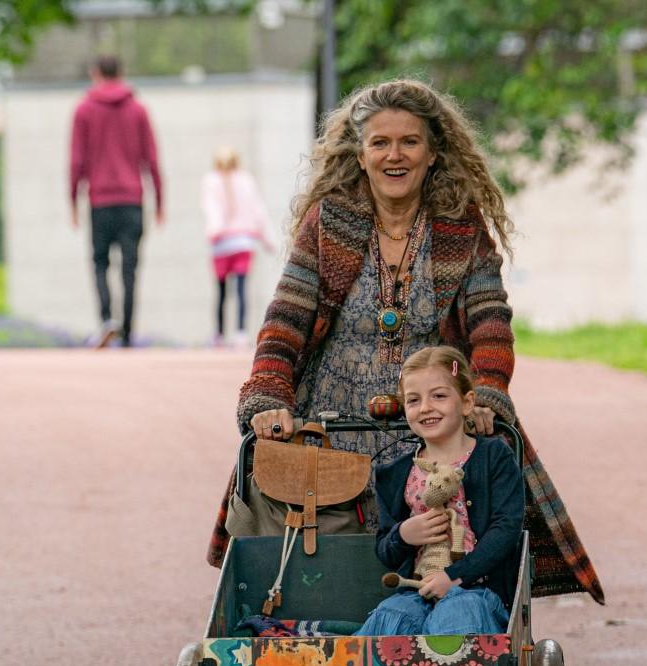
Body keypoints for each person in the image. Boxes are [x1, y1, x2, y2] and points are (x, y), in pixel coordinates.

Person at [208, 78, 604, 604]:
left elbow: (490, 322)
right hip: (330, 428)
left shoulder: (459, 227)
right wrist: (267, 399)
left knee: (444, 548)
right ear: (361, 153)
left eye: (409, 142)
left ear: (433, 152)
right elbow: (285, 322)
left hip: (429, 424)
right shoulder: (329, 224)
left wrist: (485, 393)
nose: (395, 155)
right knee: (328, 580)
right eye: (380, 143)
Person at [356, 347, 524, 636]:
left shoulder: (494, 456)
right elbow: (385, 548)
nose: (425, 408)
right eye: (413, 400)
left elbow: (506, 529)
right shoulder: (394, 474)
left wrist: (454, 576)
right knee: (389, 619)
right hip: (418, 589)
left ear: (467, 402)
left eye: (439, 396)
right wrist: (404, 534)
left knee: (456, 619)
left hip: (478, 590)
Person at [69, 54, 163, 348]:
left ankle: (107, 319)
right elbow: (152, 159)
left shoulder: (83, 110)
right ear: (121, 73)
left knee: (100, 262)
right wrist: (160, 200)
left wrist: (73, 200)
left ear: (95, 73)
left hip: (99, 200)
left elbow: (76, 161)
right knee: (130, 267)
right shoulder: (138, 110)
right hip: (132, 199)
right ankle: (128, 332)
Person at [201, 147, 275, 346]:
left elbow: (211, 209)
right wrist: (268, 239)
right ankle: (240, 332)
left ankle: (219, 333)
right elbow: (259, 210)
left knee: (222, 291)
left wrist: (215, 230)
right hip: (244, 241)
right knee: (242, 289)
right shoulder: (246, 180)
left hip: (222, 243)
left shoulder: (211, 180)